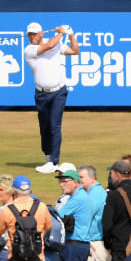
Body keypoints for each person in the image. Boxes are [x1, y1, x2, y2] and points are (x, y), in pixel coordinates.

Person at [24, 22, 80, 173]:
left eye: (35, 33)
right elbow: (47, 46)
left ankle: (54, 162)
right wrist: (61, 33)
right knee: (45, 127)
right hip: (41, 94)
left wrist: (71, 34)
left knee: (55, 126)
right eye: (30, 34)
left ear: (41, 33)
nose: (32, 36)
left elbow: (75, 51)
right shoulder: (29, 50)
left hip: (58, 92)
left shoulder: (56, 45)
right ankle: (48, 157)